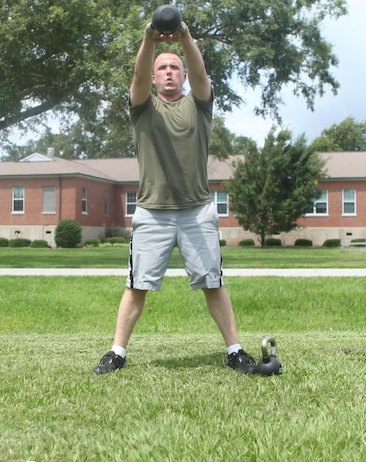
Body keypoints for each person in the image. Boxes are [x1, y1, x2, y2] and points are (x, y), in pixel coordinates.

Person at [93, 19, 256, 374]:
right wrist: (149, 38)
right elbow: (136, 79)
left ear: (183, 76)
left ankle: (235, 351)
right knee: (137, 285)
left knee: (213, 283)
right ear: (154, 78)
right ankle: (117, 353)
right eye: (162, 68)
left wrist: (185, 37)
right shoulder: (143, 109)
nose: (169, 72)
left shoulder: (199, 106)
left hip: (197, 211)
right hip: (152, 212)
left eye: (175, 67)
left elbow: (201, 74)